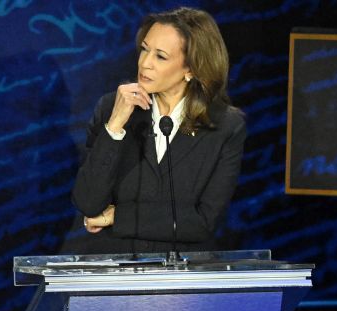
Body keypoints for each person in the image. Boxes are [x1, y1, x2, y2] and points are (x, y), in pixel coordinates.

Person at [70, 7, 245, 254]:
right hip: (114, 272)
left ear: (191, 68)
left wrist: (118, 217)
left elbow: (202, 222)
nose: (145, 63)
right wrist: (115, 127)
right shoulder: (112, 107)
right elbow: (88, 203)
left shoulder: (225, 126)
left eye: (160, 56)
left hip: (182, 279)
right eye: (144, 49)